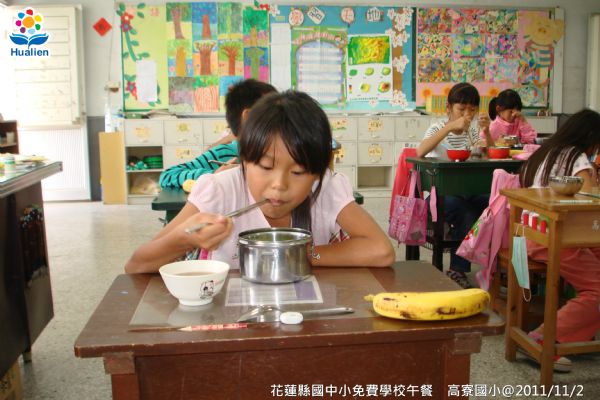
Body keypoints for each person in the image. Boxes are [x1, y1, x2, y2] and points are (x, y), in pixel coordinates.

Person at [125, 90, 395, 273]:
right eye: (265, 167)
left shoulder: (325, 189)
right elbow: (136, 265)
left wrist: (303, 255)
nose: (279, 185)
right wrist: (186, 238)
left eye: (298, 172)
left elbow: (381, 251)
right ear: (244, 159)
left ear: (317, 172)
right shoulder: (220, 191)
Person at [518, 108, 600, 371]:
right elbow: (589, 206)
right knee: (598, 289)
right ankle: (543, 338)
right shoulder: (577, 158)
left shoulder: (545, 152)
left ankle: (581, 326)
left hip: (531, 232)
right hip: (555, 235)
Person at [416, 82, 495, 288]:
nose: (467, 114)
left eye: (472, 109)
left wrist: (487, 132)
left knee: (496, 204)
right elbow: (420, 151)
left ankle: (497, 267)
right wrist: (450, 127)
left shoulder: (473, 132)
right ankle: (456, 269)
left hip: (468, 191)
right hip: (440, 196)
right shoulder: (437, 128)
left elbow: (489, 156)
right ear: (449, 108)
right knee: (467, 212)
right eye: (462, 108)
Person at [158, 79, 277, 189]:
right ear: (247, 118)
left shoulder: (279, 153)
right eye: (276, 114)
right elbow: (167, 175)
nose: (283, 121)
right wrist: (214, 174)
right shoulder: (224, 153)